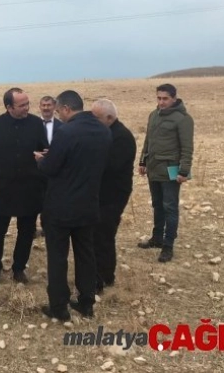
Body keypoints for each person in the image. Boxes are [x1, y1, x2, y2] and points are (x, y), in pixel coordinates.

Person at [36, 91, 111, 320]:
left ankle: (59, 307)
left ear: (67, 108)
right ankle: (86, 303)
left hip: (61, 207)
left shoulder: (65, 131)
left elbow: (51, 168)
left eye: (59, 110)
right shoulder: (104, 131)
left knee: (58, 258)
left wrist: (41, 160)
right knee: (86, 255)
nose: (59, 115)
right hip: (88, 205)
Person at [0, 87, 48, 286]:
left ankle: (19, 268)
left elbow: (44, 150)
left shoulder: (36, 123)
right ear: (9, 107)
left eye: (27, 103)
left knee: (26, 232)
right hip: (3, 189)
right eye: (21, 105)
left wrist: (42, 163)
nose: (26, 108)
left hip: (30, 189)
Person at [137, 83, 194, 263]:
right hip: (153, 168)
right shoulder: (153, 115)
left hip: (171, 171)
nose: (161, 102)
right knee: (157, 205)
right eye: (159, 98)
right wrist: (142, 161)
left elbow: (187, 148)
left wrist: (184, 171)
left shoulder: (183, 119)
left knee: (170, 207)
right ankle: (157, 238)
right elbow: (148, 140)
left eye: (165, 99)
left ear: (174, 98)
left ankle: (168, 246)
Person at [91, 99, 136, 293]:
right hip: (102, 194)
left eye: (96, 118)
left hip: (113, 195)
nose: (93, 121)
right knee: (98, 234)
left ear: (109, 117)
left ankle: (103, 277)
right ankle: (102, 275)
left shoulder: (121, 137)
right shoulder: (106, 132)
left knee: (104, 235)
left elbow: (110, 166)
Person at [35, 95, 64, 238]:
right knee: (33, 199)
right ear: (40, 107)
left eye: (49, 105)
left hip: (54, 170)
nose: (46, 108)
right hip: (35, 169)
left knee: (51, 200)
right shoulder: (32, 125)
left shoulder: (62, 126)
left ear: (54, 107)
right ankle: (31, 229)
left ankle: (47, 228)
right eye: (43, 105)